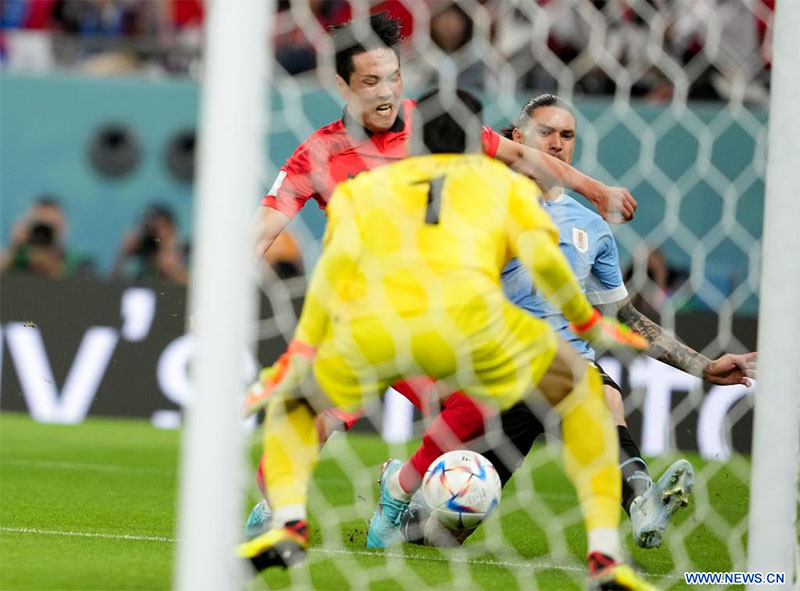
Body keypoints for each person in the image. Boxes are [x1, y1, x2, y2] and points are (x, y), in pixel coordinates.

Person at [237, 88, 656, 591]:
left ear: (414, 143)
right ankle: (603, 556)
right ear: (478, 144)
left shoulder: (365, 191)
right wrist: (589, 331)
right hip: (459, 333)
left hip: (376, 326)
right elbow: (552, 275)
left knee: (305, 408)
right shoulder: (506, 195)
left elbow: (333, 276)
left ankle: (288, 516)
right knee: (583, 404)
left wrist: (304, 350)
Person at [386, 94, 757, 551]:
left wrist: (703, 366)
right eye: (546, 132)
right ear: (518, 138)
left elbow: (626, 318)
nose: (557, 143)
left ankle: (643, 501)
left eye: (567, 135)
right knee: (436, 533)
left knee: (604, 397)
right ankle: (404, 497)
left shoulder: (591, 228)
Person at [253, 12, 637, 264]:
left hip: (436, 304)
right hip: (363, 307)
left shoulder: (436, 120)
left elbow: (522, 156)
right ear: (342, 86)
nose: (386, 92)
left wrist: (595, 190)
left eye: (393, 78)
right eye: (370, 82)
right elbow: (262, 232)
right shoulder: (317, 153)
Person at [1, 195, 93, 279]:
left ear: (65, 229)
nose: (43, 235)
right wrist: (15, 247)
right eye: (39, 228)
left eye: (52, 228)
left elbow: (84, 288)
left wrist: (55, 269)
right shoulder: (17, 259)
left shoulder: (78, 263)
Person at [111, 204, 188, 285]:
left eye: (160, 230)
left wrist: (171, 266)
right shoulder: (141, 266)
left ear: (171, 230)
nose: (154, 239)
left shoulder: (189, 255)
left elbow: (191, 284)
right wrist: (123, 255)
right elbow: (112, 286)